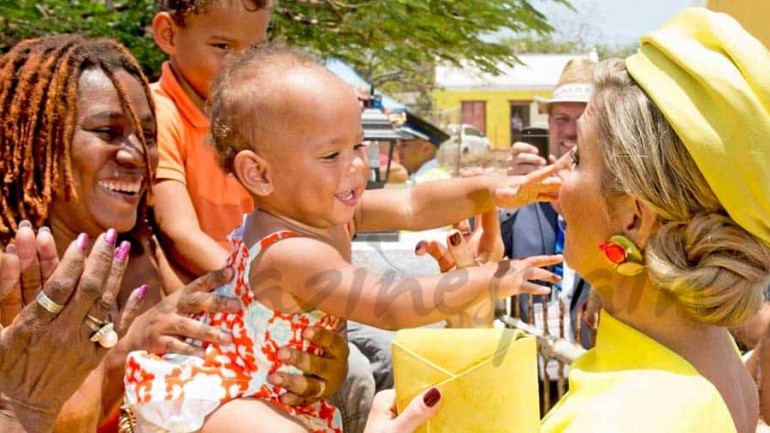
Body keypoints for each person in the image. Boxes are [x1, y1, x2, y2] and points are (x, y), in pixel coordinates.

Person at [123, 44, 563, 433]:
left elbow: (414, 203)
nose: (356, 165)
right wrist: (492, 277)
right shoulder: (289, 252)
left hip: (276, 389)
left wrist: (493, 188)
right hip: (233, 397)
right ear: (258, 173)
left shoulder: (324, 214)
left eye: (358, 145)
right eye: (331, 155)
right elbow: (389, 305)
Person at [388, 8, 770, 432]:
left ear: (633, 216)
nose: (558, 184)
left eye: (579, 159)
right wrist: (472, 317)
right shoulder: (703, 351)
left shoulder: (630, 414)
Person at [0, 34, 349, 432]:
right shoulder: (13, 279)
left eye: (147, 136)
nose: (136, 154)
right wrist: (127, 349)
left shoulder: (152, 254)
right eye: (106, 132)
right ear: (35, 140)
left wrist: (315, 372)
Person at [396, 112, 452, 184]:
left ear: (426, 149)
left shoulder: (434, 181)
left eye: (404, 145)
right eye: (398, 145)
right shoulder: (420, 178)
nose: (398, 150)